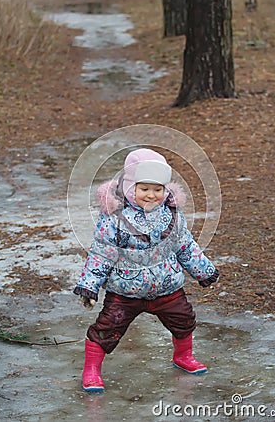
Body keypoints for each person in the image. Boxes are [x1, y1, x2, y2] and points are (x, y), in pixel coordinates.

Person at [74, 148, 219, 392]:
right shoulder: (114, 218)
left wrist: (203, 270)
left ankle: (183, 356)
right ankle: (91, 369)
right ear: (131, 187)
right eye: (144, 189)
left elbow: (185, 245)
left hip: (166, 287)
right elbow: (101, 253)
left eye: (158, 189)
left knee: (183, 320)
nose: (151, 195)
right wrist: (89, 287)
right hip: (125, 291)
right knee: (107, 328)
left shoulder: (172, 215)